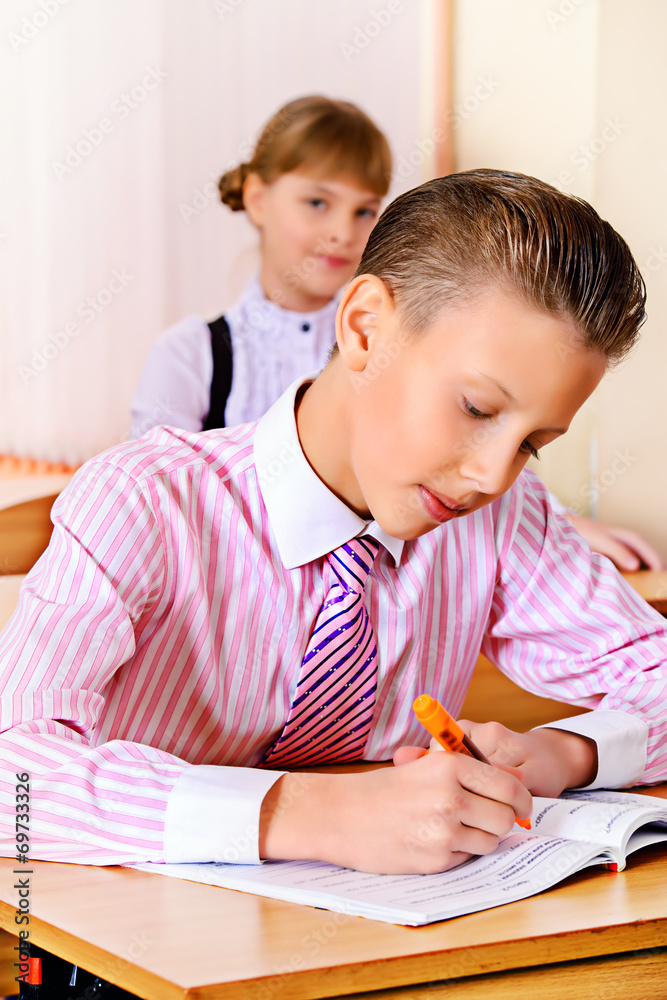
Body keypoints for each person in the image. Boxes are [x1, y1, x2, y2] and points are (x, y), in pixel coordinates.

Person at [4, 169, 664, 876]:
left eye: (532, 444)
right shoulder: (145, 500)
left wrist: (561, 753)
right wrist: (317, 815)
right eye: (476, 408)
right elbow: (14, 774)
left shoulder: (503, 517)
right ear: (364, 328)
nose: (492, 476)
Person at [129, 95, 390, 437]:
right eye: (317, 202)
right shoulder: (187, 356)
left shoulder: (387, 348)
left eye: (364, 211)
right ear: (257, 199)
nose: (343, 233)